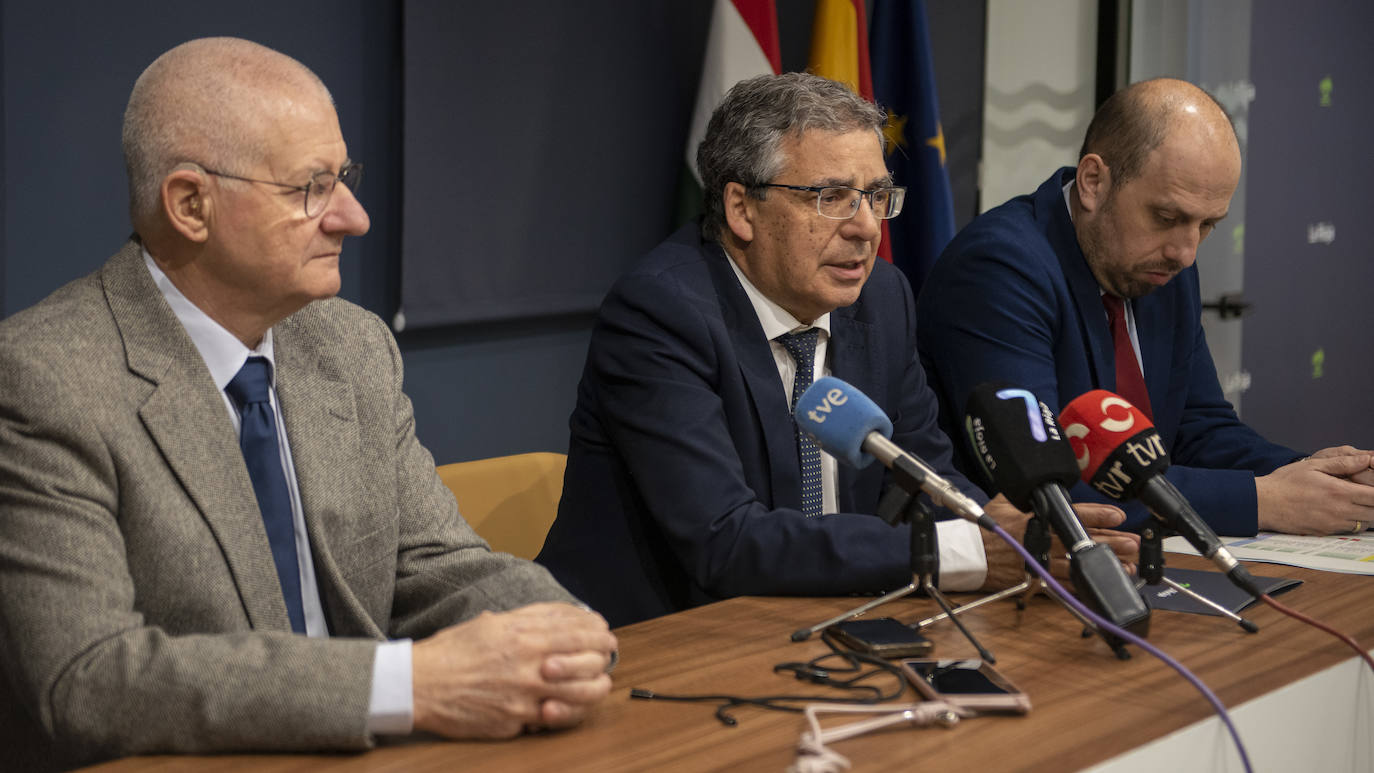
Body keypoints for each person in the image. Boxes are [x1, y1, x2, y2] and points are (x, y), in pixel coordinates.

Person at [0, 38, 615, 771]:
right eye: (311, 187)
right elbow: (90, 679)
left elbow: (435, 563)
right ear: (191, 204)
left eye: (344, 177)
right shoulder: (44, 376)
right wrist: (410, 685)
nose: (352, 216)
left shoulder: (351, 346)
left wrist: (560, 633)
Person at [536, 72, 1136, 628]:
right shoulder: (660, 315)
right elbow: (725, 541)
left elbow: (928, 477)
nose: (867, 227)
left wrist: (1017, 538)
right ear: (741, 208)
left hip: (822, 625)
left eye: (876, 195)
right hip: (652, 642)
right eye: (830, 197)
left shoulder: (883, 298)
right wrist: (967, 552)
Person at [917, 77, 1374, 538]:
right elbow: (1049, 484)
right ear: (1094, 181)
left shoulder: (1161, 263)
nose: (1186, 252)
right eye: (1168, 217)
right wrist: (1263, 501)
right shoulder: (999, 268)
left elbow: (1199, 430)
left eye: (1208, 225)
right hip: (1016, 580)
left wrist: (1323, 480)